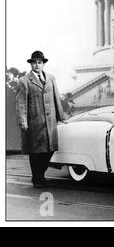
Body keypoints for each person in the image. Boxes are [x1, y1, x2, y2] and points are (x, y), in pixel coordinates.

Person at [15, 51, 66, 188]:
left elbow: (56, 98)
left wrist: (61, 116)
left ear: (43, 64)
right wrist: (23, 121)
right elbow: (21, 104)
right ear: (31, 64)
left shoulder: (51, 78)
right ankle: (37, 179)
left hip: (50, 122)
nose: (37, 65)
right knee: (36, 152)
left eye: (39, 62)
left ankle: (39, 175)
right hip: (35, 122)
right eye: (34, 62)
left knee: (50, 149)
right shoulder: (24, 81)